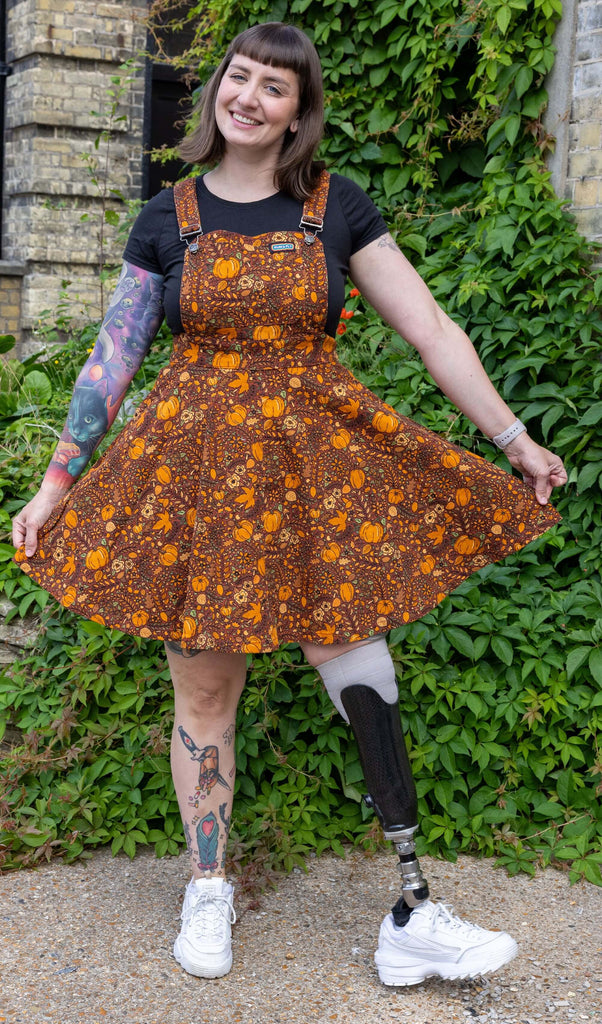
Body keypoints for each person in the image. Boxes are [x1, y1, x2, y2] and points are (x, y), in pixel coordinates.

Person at [13, 21, 567, 988]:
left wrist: (515, 438)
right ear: (217, 91)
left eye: (276, 87)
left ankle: (412, 909)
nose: (252, 97)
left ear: (299, 111)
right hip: (194, 477)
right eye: (240, 77)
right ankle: (208, 884)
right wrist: (57, 483)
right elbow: (114, 361)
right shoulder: (167, 215)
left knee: (363, 666)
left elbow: (430, 325)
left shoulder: (335, 206)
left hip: (319, 470)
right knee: (206, 690)